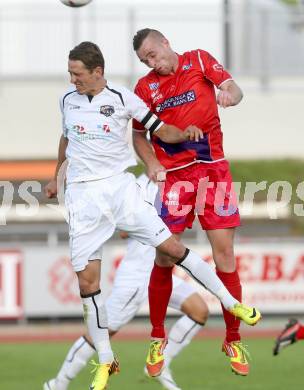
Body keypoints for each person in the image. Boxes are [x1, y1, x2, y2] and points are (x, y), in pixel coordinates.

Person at [45, 41, 260, 390]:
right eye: (144, 59)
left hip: (160, 264)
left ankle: (165, 363)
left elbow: (164, 128)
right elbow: (134, 141)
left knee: (198, 309)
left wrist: (225, 99)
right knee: (105, 323)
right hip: (137, 272)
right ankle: (58, 383)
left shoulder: (162, 172)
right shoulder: (147, 178)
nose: (72, 80)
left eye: (77, 74)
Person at [132, 28, 251, 376]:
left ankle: (232, 338)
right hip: (174, 178)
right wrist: (151, 162)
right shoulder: (145, 88)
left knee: (225, 255)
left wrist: (230, 92)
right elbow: (139, 133)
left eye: (153, 54)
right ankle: (157, 336)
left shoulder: (199, 59)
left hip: (213, 171)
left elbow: (235, 89)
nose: (153, 63)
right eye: (145, 60)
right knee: (165, 254)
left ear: (166, 42)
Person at [44, 175, 209, 390]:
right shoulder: (141, 184)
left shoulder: (178, 178)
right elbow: (122, 229)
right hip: (137, 277)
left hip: (160, 272)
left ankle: (160, 363)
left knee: (199, 311)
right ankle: (58, 383)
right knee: (100, 334)